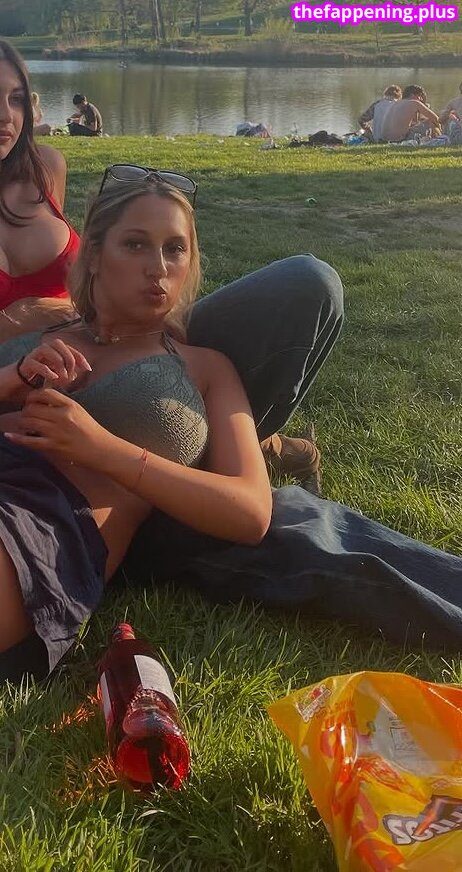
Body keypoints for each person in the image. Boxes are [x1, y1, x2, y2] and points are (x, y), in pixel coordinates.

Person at [0, 170, 461, 687]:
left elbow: (251, 511)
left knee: (310, 532)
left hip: (45, 519)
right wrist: (13, 377)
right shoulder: (36, 322)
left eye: (175, 249)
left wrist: (102, 449)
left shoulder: (203, 367)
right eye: (135, 244)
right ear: (94, 254)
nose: (158, 268)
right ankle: (284, 448)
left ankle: (278, 448)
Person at [0, 41, 80, 339]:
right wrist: (22, 316)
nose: (6, 115)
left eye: (16, 99)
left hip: (83, 353)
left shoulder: (46, 166)